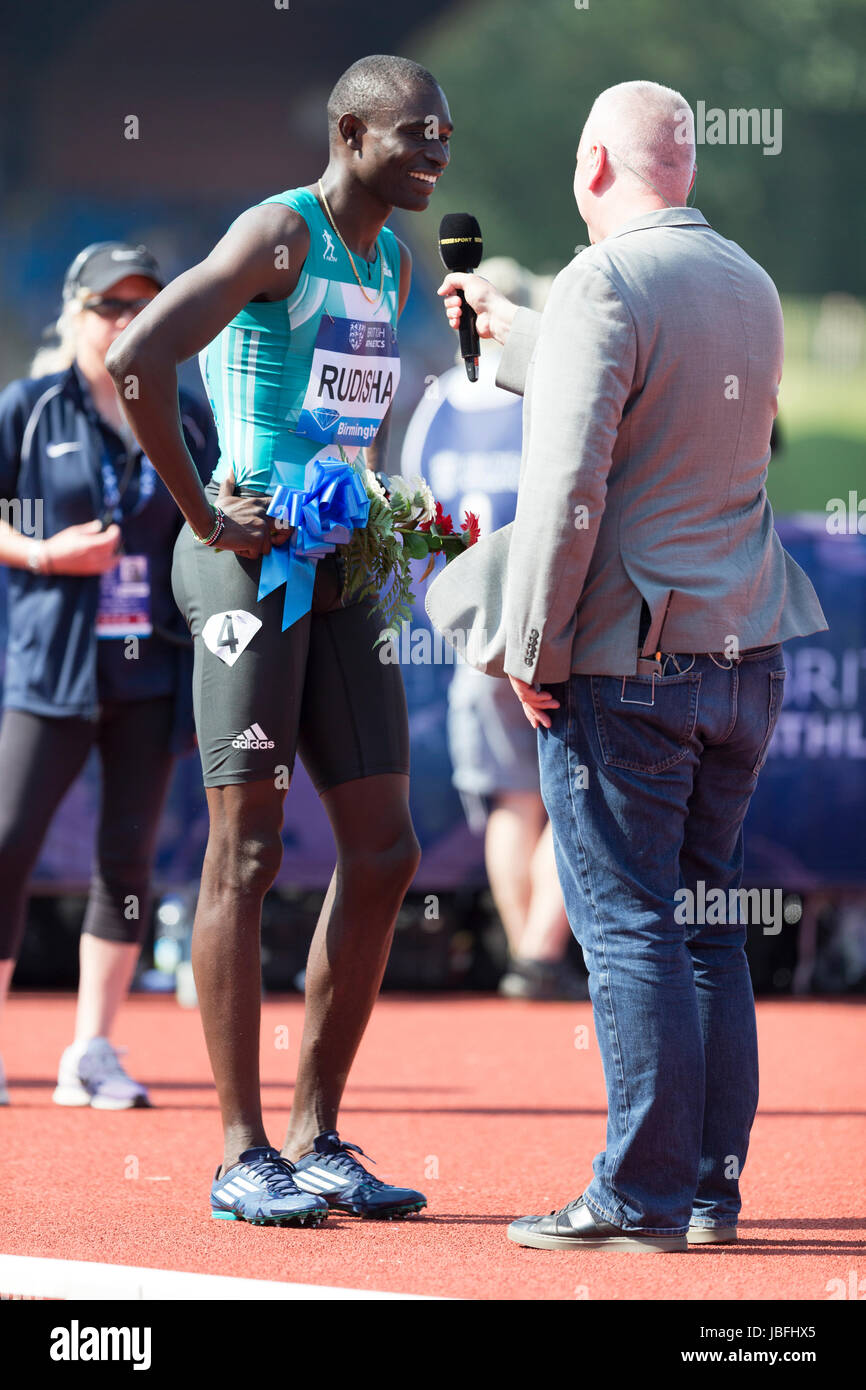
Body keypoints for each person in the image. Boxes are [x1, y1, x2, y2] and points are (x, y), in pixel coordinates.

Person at [438, 80, 827, 1251]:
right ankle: (705, 1187)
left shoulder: (602, 280)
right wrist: (518, 340)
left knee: (627, 926)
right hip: (742, 649)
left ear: (592, 164)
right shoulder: (749, 283)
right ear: (689, 169)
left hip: (627, 659)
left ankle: (639, 1194)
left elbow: (568, 490)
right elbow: (667, 412)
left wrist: (526, 645)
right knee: (704, 921)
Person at [105, 55, 452, 1227]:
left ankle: (316, 1132)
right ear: (349, 133)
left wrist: (395, 507)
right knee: (245, 855)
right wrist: (205, 510)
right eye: (414, 133)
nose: (435, 150)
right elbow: (135, 358)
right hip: (245, 565)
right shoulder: (276, 235)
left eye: (442, 133)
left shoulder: (394, 263)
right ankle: (239, 1149)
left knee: (387, 849)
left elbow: (353, 417)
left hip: (344, 571)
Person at [0, 241, 217, 1108]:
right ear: (74, 314)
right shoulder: (29, 406)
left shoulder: (187, 414)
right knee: (7, 844)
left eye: (142, 308)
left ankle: (92, 1050)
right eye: (109, 308)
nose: (125, 323)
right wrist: (45, 555)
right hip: (50, 665)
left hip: (149, 672)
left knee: (126, 859)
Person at [401, 257, 584, 1001]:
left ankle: (525, 957)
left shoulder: (435, 404)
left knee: (514, 797)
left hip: (472, 630)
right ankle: (539, 952)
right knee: (579, 791)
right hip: (554, 618)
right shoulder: (547, 393)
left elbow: (413, 515)